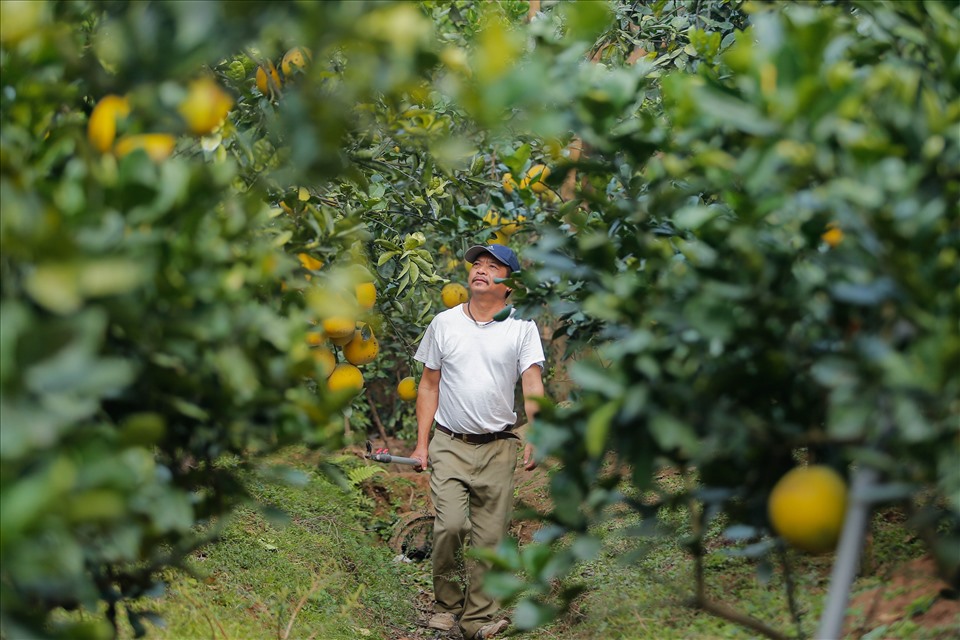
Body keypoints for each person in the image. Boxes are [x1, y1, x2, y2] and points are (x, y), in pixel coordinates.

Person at [408, 243, 545, 640]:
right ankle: (446, 607)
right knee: (450, 526)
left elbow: (532, 383)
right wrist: (421, 444)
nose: (481, 270)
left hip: (499, 446)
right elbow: (428, 386)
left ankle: (478, 621)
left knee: (489, 537)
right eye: (477, 264)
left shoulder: (523, 326)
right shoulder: (444, 323)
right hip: (449, 442)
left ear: (510, 285)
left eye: (493, 266)